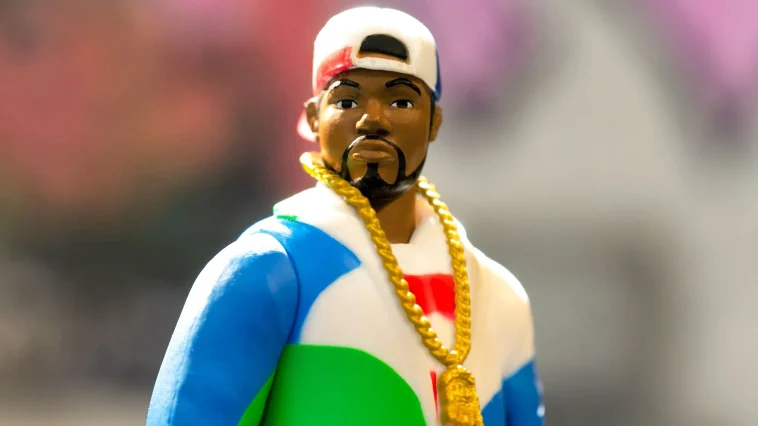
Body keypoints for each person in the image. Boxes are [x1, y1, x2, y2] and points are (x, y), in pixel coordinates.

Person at [146, 6, 544, 426]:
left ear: (434, 122)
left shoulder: (497, 295)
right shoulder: (267, 272)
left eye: (401, 101)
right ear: (313, 119)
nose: (374, 120)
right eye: (347, 100)